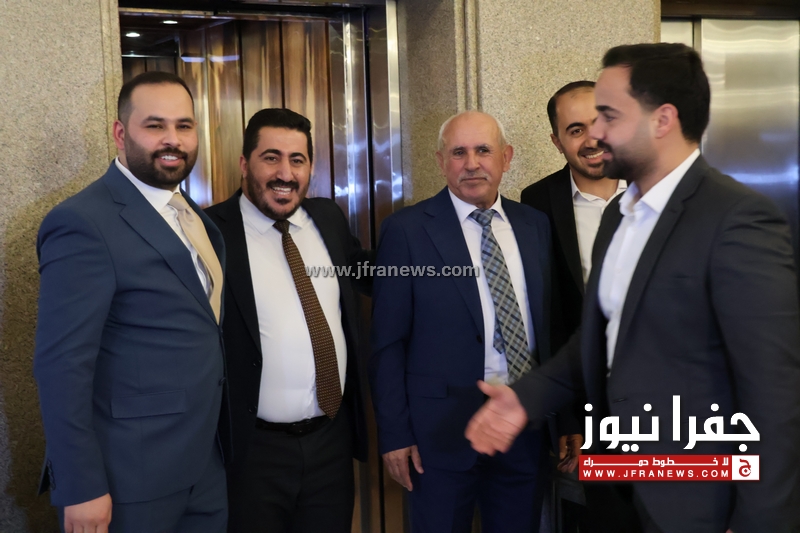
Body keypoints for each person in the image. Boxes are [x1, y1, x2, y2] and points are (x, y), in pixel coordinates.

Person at [467, 43, 800, 533]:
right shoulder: (618, 218)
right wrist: (525, 398)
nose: (596, 133)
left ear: (662, 119)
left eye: (608, 116)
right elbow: (600, 337)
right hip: (618, 478)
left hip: (699, 495)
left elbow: (773, 389)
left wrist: (759, 519)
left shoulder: (737, 218)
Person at [34, 71, 228, 532]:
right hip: (129, 478)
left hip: (204, 467)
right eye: (155, 125)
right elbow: (61, 366)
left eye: (184, 126)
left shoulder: (195, 217)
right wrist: (80, 485)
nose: (173, 139)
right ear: (121, 134)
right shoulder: (83, 222)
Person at [369, 111, 554, 532]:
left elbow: (550, 328)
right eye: (458, 153)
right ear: (440, 161)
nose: (472, 164)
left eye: (483, 150)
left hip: (523, 428)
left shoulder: (534, 225)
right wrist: (395, 434)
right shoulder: (407, 231)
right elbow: (387, 344)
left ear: (506, 157)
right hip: (438, 438)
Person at [205, 108, 370, 533]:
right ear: (244, 164)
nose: (285, 173)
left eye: (297, 160)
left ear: (310, 167)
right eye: (271, 158)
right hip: (253, 454)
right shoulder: (210, 233)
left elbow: (364, 271)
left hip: (330, 444)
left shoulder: (327, 218)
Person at [521, 81, 628, 531]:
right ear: (557, 140)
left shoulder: (659, 189)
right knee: (601, 519)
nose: (591, 138)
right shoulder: (538, 204)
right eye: (575, 129)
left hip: (671, 402)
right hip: (591, 408)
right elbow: (551, 319)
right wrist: (566, 417)